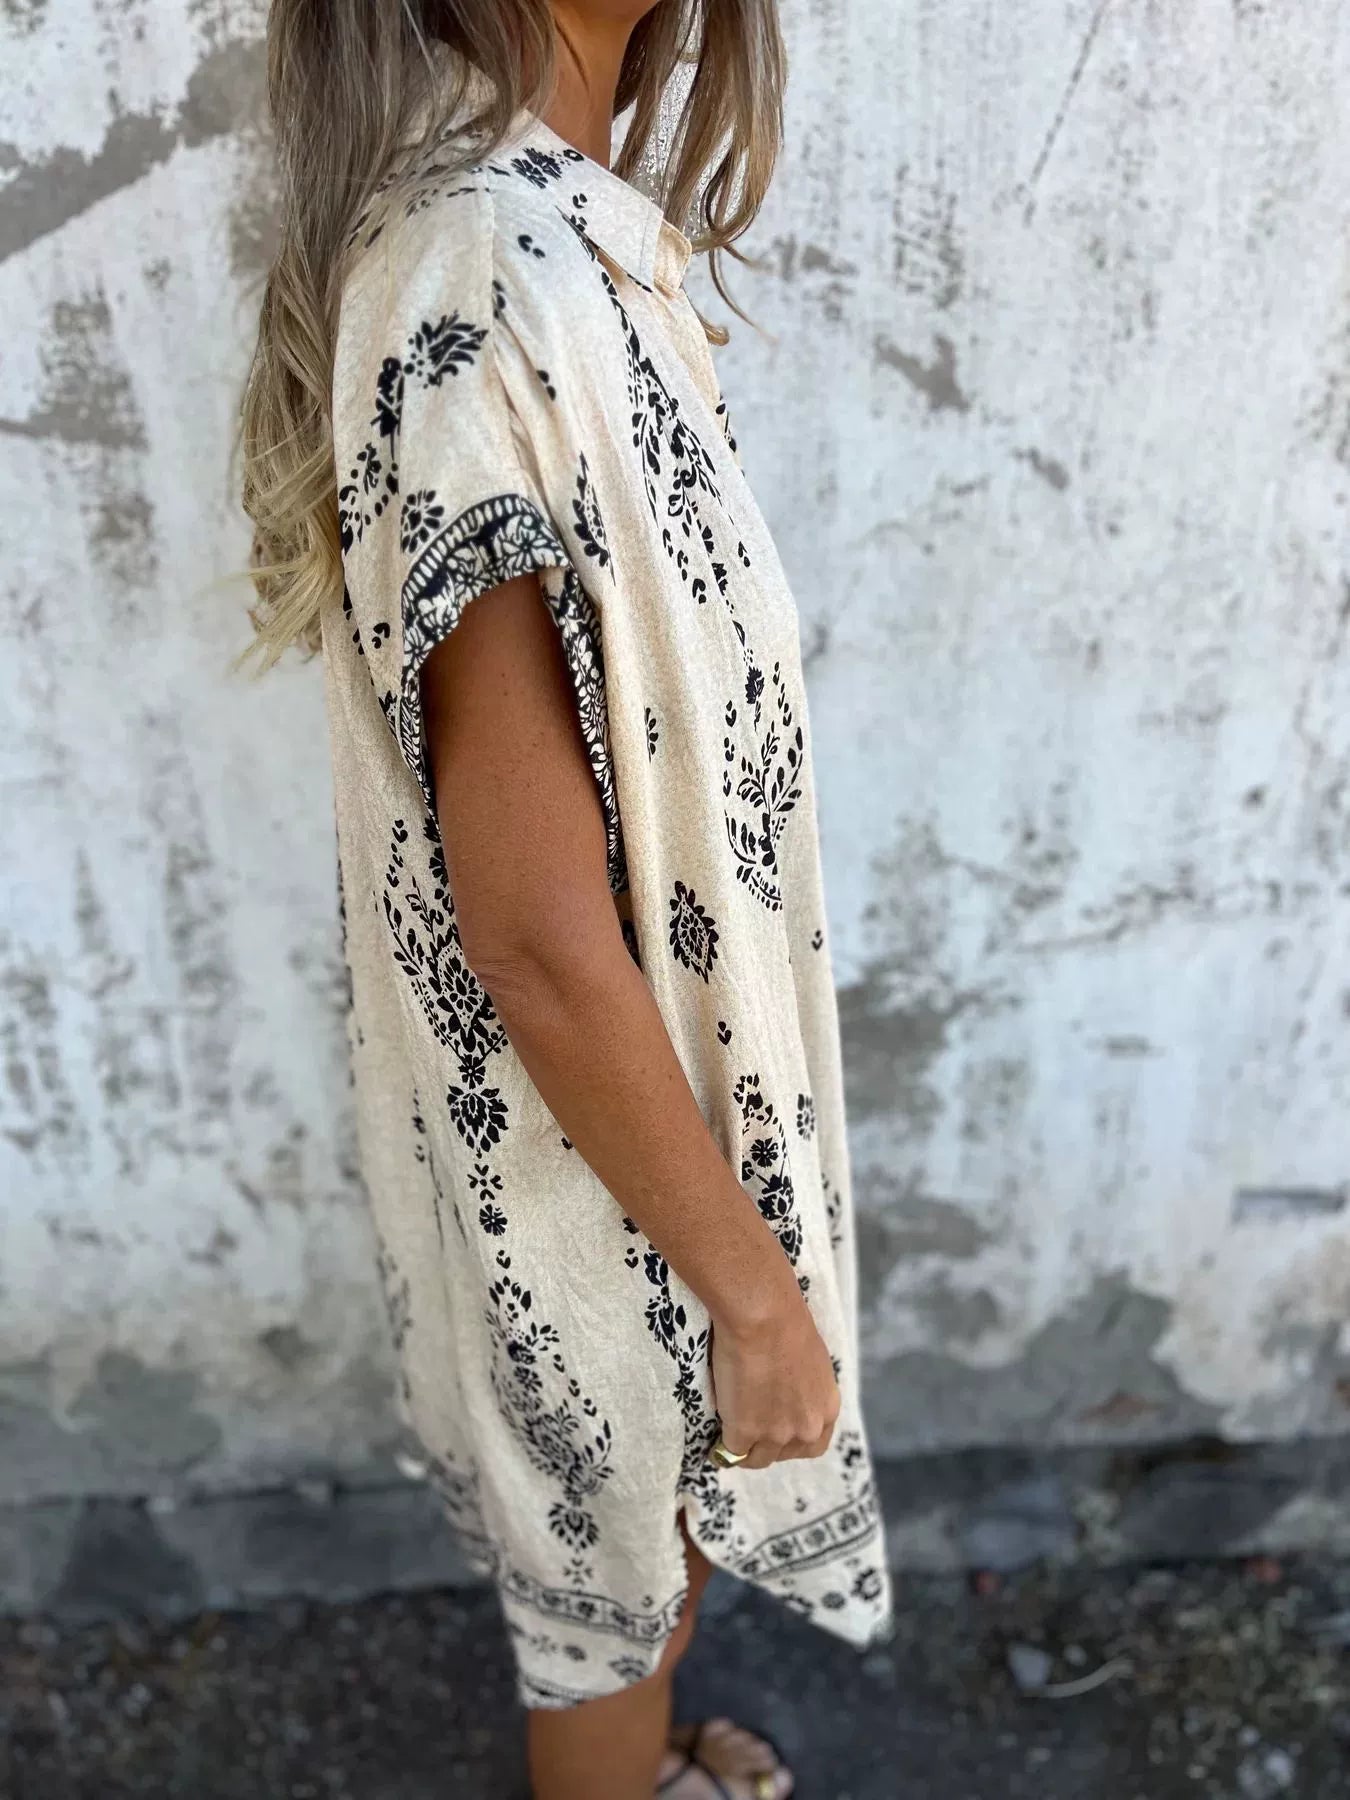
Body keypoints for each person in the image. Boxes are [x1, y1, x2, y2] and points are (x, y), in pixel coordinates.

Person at [239, 4, 892, 1795]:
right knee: (619, 1570)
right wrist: (751, 1298)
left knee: (656, 1543)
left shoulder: (559, 235)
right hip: (594, 1145)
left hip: (643, 1106)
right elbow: (526, 927)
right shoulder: (480, 267)